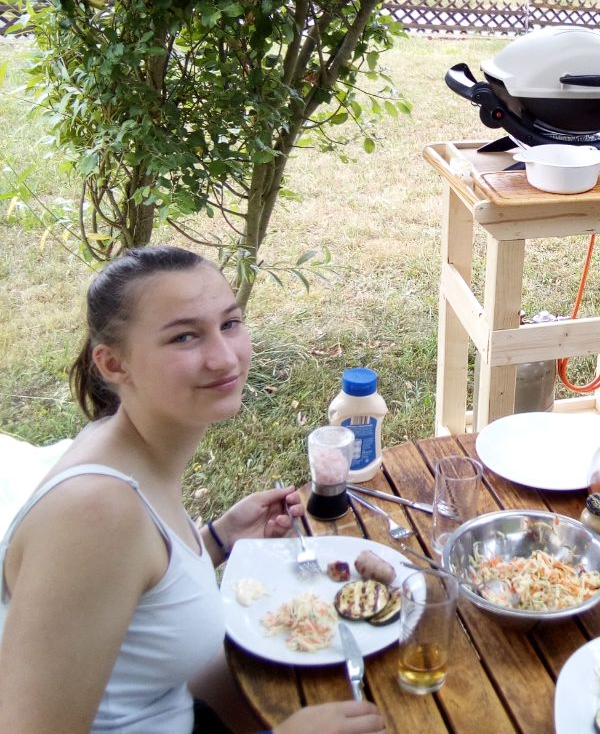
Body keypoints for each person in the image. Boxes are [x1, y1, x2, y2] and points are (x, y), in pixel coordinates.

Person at [0, 246, 385, 734]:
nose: (224, 358)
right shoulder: (95, 514)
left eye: (230, 323)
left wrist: (216, 540)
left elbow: (133, 608)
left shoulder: (124, 448)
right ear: (114, 364)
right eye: (184, 336)